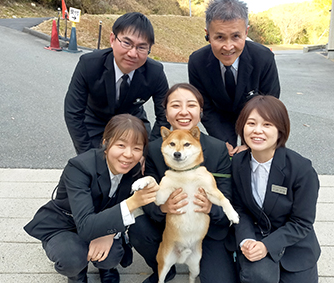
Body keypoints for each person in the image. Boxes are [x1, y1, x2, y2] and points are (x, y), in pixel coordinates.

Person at [24, 114, 159, 283]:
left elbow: (120, 210)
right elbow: (86, 225)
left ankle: (106, 269)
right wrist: (133, 202)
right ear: (106, 143)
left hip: (100, 222)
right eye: (121, 145)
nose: (128, 154)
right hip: (67, 224)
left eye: (137, 148)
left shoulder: (134, 170)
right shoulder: (79, 167)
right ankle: (77, 275)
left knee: (112, 256)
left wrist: (109, 234)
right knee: (72, 258)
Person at [128, 83, 238, 283]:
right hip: (170, 227)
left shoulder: (217, 148)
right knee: (138, 228)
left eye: (191, 105)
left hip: (206, 231)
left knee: (218, 279)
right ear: (167, 113)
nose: (184, 112)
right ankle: (163, 268)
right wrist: (162, 207)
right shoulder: (154, 149)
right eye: (176, 105)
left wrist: (210, 207)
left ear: (200, 111)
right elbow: (148, 198)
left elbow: (227, 196)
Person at [232, 95, 320, 283]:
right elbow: (240, 209)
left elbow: (302, 222)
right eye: (251, 123)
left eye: (267, 125)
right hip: (256, 236)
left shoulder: (301, 169)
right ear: (242, 127)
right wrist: (246, 240)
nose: (257, 131)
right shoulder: (238, 163)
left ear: (280, 130)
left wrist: (268, 246)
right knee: (257, 277)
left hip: (294, 242)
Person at [65, 12, 170, 155]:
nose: (133, 53)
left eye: (141, 47)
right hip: (95, 120)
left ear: (149, 49)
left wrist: (149, 153)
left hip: (133, 119)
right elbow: (73, 112)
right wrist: (87, 155)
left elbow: (165, 115)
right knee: (96, 168)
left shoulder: (155, 72)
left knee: (140, 167)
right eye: (127, 43)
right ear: (112, 39)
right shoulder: (89, 64)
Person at [188, 0, 280, 156]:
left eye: (236, 36)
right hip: (220, 114)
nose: (228, 46)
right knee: (224, 156)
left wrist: (251, 142)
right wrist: (223, 143)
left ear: (246, 32)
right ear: (208, 35)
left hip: (255, 116)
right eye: (220, 37)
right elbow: (206, 108)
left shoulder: (264, 58)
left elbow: (270, 102)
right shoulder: (197, 62)